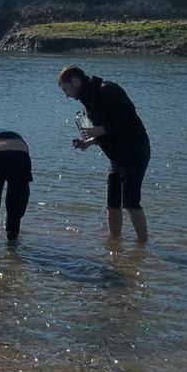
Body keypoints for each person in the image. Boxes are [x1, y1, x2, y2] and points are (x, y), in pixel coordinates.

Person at [57, 64, 150, 242]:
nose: (66, 95)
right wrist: (88, 142)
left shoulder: (107, 90)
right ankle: (114, 242)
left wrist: (99, 130)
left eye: (66, 89)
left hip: (135, 151)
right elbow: (104, 131)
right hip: (116, 157)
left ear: (75, 81)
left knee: (130, 202)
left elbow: (128, 120)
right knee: (112, 203)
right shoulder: (87, 100)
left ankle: (143, 246)